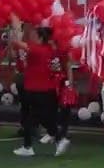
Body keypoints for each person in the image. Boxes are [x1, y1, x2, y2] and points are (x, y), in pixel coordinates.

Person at [11, 20, 65, 157]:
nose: (31, 36)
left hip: (37, 90)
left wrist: (15, 25)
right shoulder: (48, 49)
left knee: (36, 119)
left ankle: (56, 139)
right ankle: (32, 145)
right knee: (40, 119)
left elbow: (17, 43)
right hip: (44, 90)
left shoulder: (37, 49)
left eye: (34, 34)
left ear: (40, 37)